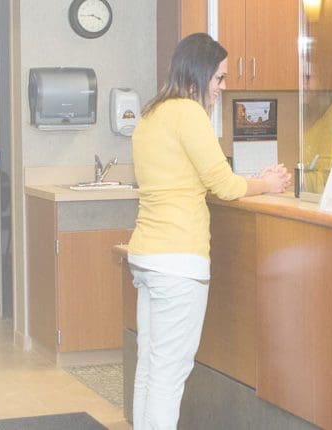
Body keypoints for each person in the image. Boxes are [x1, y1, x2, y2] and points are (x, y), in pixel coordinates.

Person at [126, 33, 291, 430]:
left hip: (147, 256)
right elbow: (225, 185)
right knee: (169, 375)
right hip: (178, 261)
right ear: (198, 74)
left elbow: (197, 177)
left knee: (150, 368)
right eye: (219, 78)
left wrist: (250, 179)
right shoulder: (188, 113)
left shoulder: (152, 114)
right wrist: (266, 184)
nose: (222, 87)